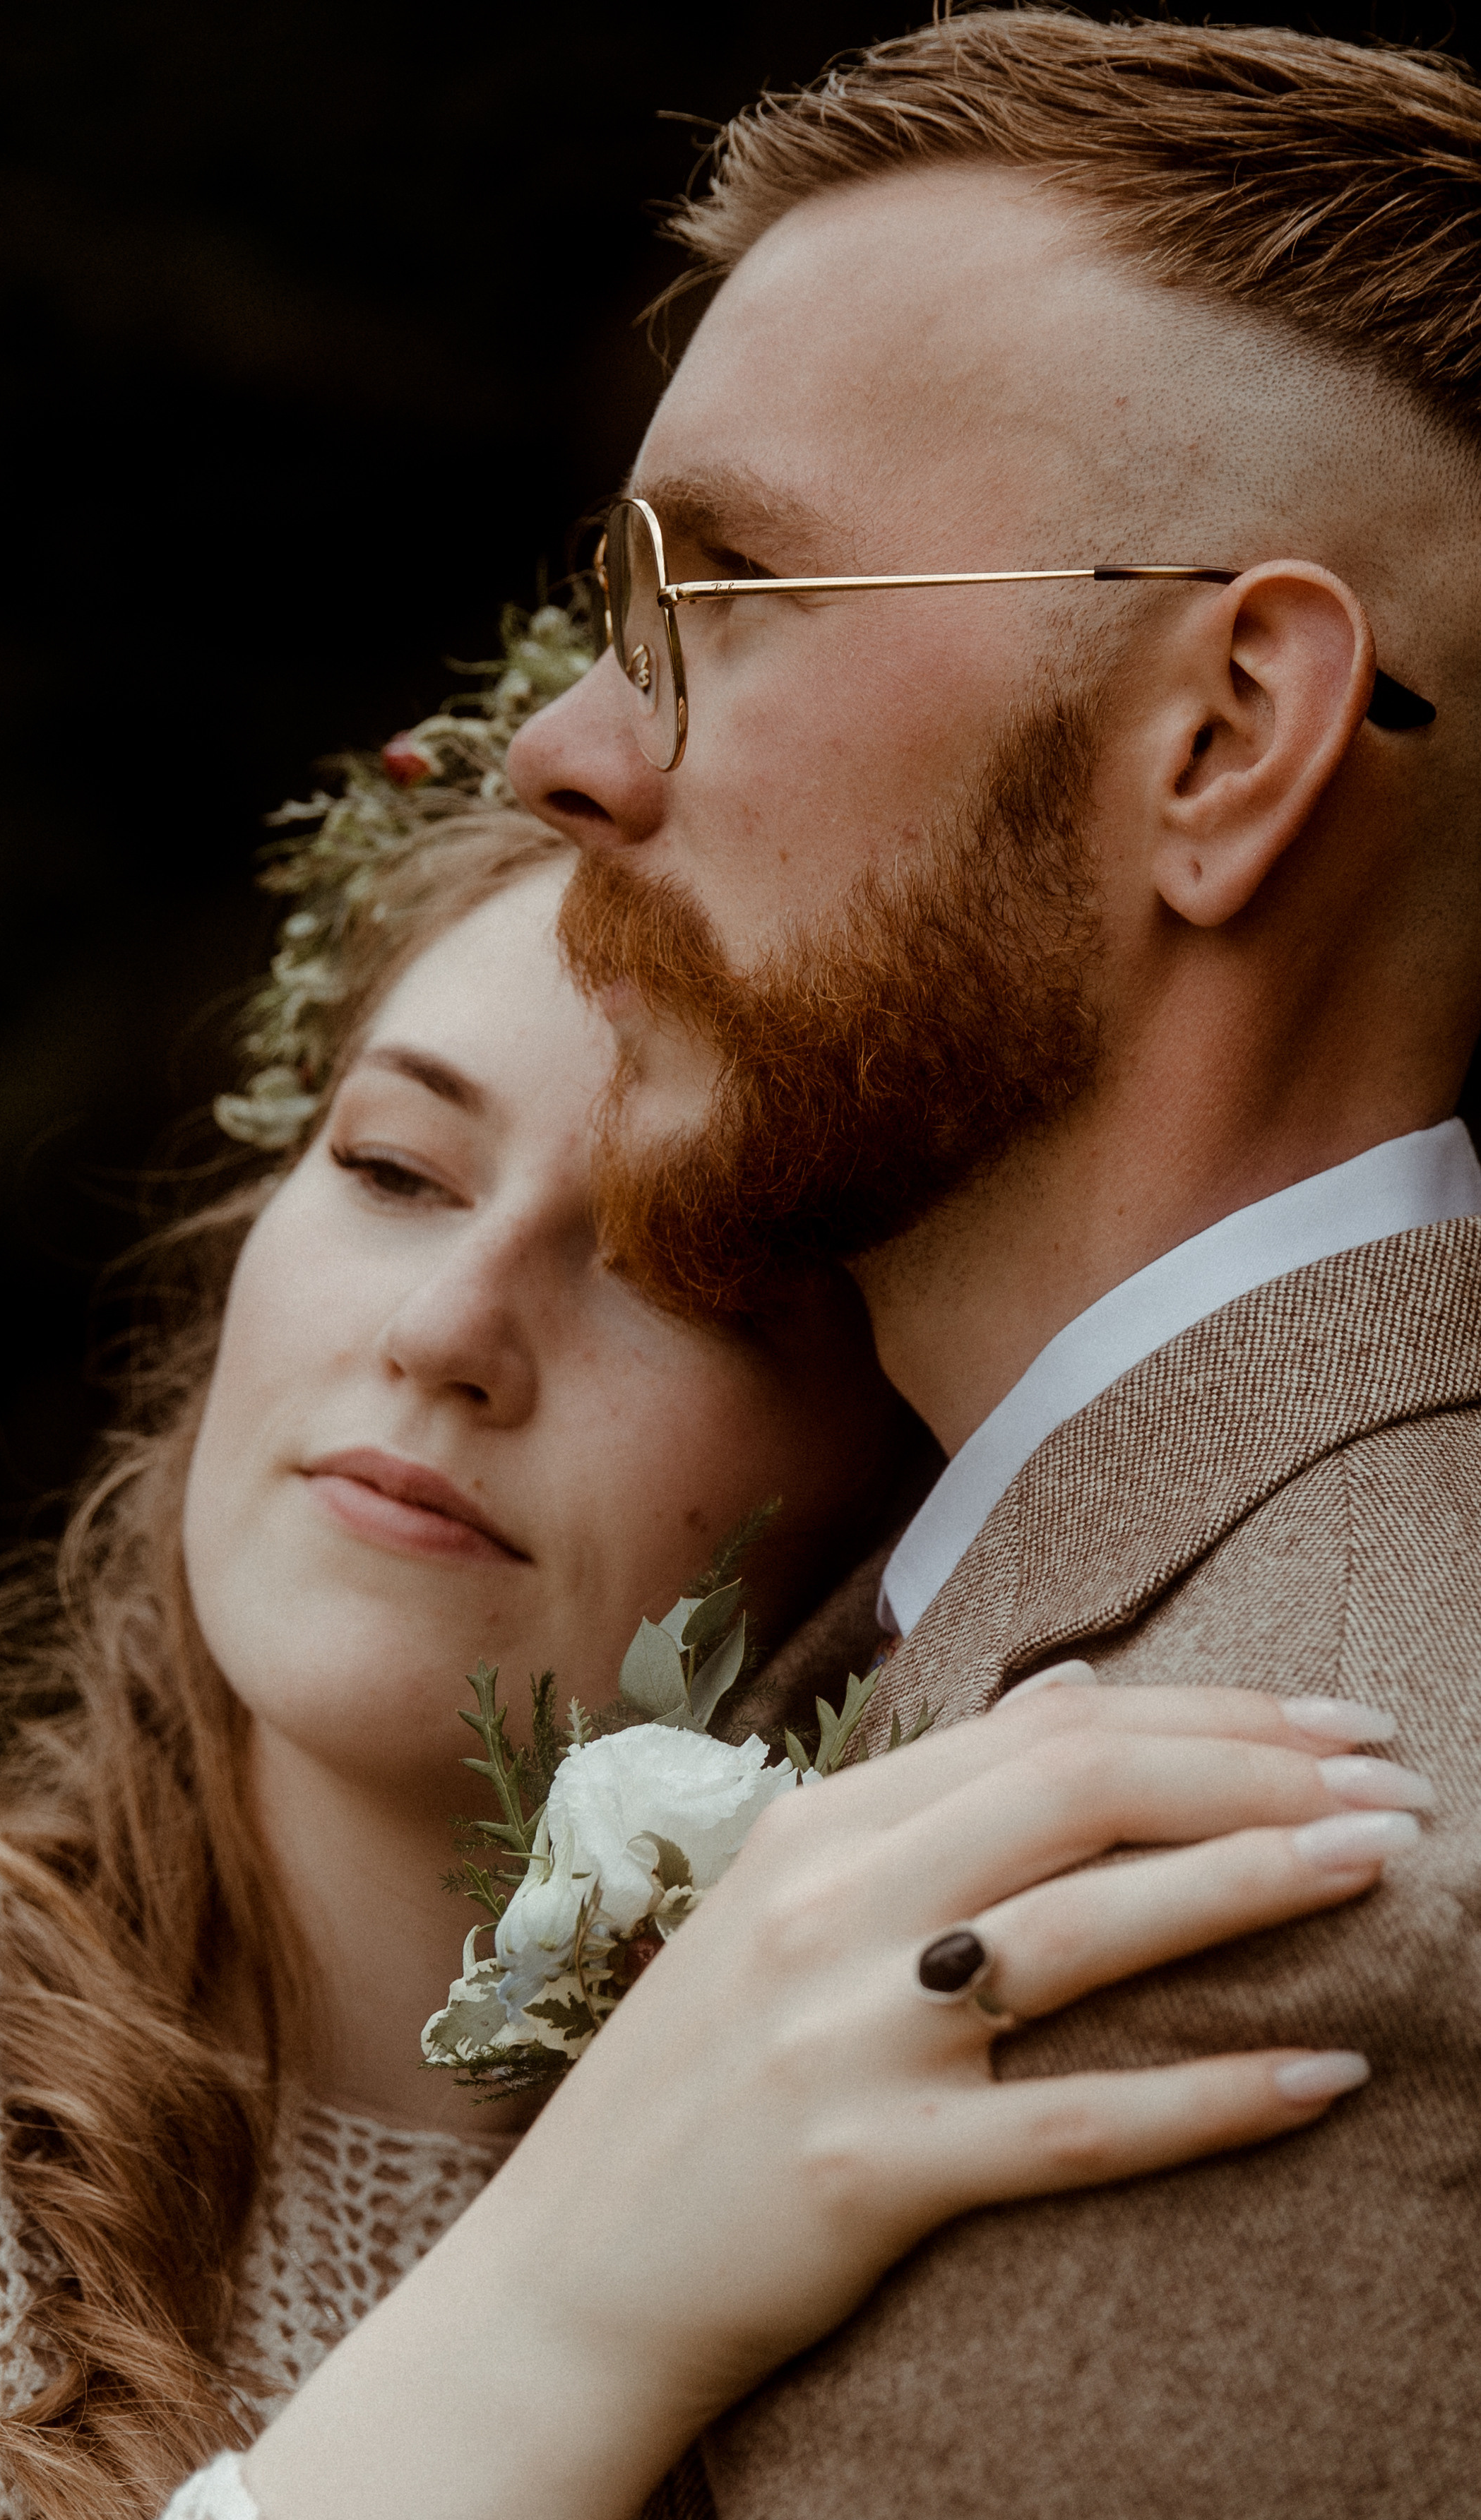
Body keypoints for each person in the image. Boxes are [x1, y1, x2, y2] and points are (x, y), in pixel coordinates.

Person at [0, 792, 1424, 2520]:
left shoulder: (954, 2212)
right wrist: (561, 2316)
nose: (444, 1334)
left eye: (672, 1265)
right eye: (391, 1170)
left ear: (889, 1458)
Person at [505, 11, 1481, 2518]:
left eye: (729, 583)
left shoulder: (1249, 1918)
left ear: (1226, 734)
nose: (567, 754)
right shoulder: (920, 1608)